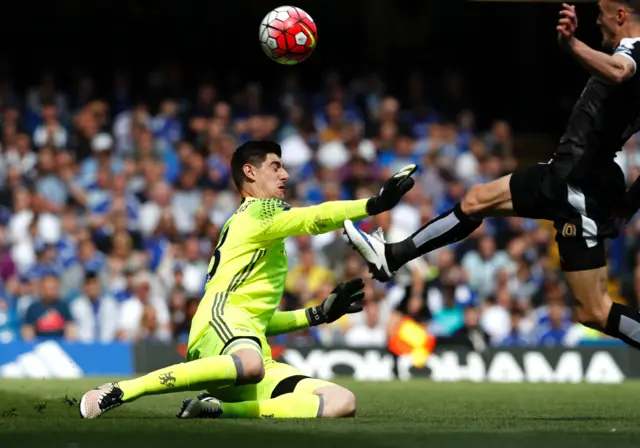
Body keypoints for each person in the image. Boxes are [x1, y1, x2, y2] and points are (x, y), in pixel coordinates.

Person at [344, 1, 640, 353]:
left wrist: (571, 44)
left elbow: (621, 71)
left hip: (579, 184)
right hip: (562, 173)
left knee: (594, 311)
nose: (596, 21)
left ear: (620, 15)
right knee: (476, 200)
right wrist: (633, 198)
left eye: (601, 14)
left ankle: (393, 256)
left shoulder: (633, 52)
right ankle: (392, 256)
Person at [79, 140, 417, 419]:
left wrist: (318, 315)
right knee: (252, 362)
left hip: (245, 343)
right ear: (250, 172)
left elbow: (257, 321)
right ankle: (121, 390)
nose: (284, 174)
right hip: (220, 327)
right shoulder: (260, 211)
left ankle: (217, 410)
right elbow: (314, 218)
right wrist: (374, 204)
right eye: (275, 166)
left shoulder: (263, 231)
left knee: (341, 401)